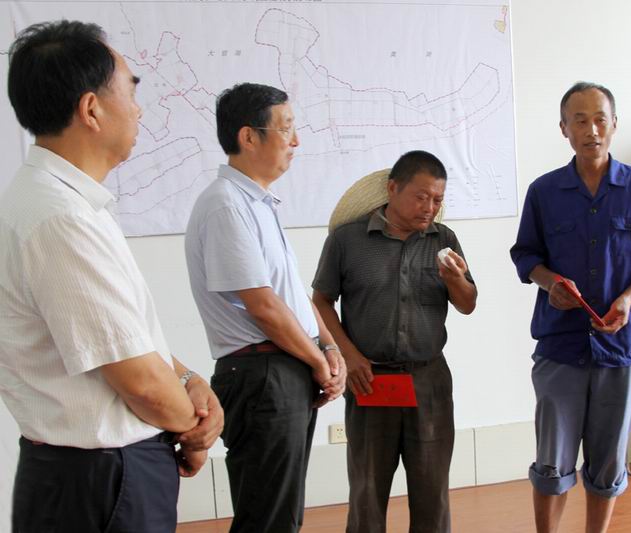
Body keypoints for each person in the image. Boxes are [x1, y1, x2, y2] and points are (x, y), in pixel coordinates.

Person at [0, 20, 223, 533]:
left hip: (89, 474)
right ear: (91, 109)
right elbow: (140, 381)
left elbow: (126, 339)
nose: (139, 110)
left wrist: (189, 380)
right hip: (101, 479)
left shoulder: (64, 203)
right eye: (130, 91)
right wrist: (194, 430)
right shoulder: (59, 218)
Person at [510, 82, 631, 533]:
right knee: (552, 462)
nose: (592, 130)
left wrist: (629, 297)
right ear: (563, 128)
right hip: (559, 345)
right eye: (580, 120)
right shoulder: (544, 191)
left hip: (620, 347)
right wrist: (549, 283)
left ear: (615, 124)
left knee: (608, 462)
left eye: (600, 119)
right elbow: (526, 255)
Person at [184, 82, 346, 533]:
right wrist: (319, 361)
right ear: (248, 137)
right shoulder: (225, 204)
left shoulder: (257, 203)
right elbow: (262, 307)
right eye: (286, 129)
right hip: (262, 375)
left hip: (284, 367)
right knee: (267, 520)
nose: (296, 141)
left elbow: (290, 295)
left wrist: (330, 348)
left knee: (282, 515)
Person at [312, 150, 477, 533]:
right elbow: (320, 302)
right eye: (421, 197)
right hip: (370, 379)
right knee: (367, 493)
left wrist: (455, 279)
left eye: (437, 199)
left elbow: (467, 304)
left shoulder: (444, 239)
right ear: (392, 189)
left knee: (432, 494)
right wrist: (348, 356)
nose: (429, 208)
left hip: (429, 382)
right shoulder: (347, 240)